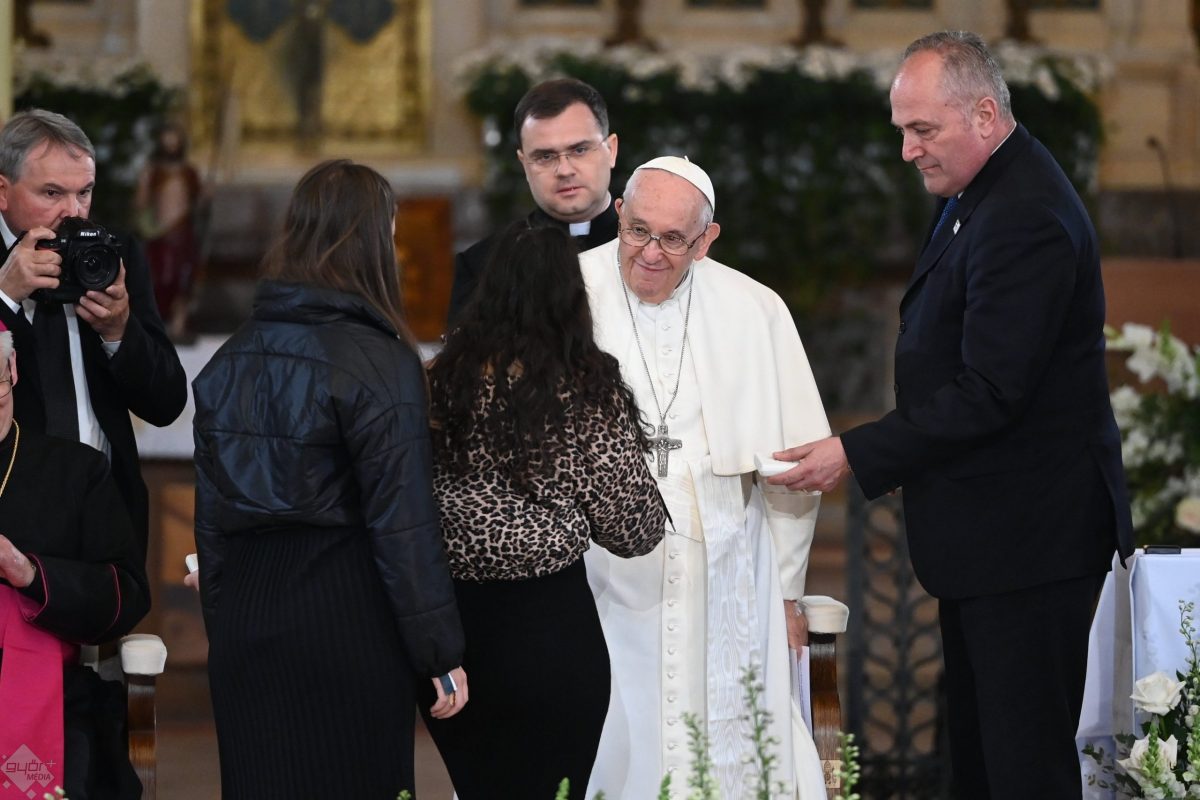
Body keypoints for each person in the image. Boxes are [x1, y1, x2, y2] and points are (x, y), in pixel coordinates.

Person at [769, 31, 1135, 799]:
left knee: (1022, 770)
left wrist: (857, 453)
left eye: (922, 130)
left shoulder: (1025, 214)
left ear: (984, 114)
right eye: (902, 130)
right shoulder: (986, 190)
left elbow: (992, 390)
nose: (907, 150)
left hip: (1031, 547)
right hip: (999, 542)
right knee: (980, 763)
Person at [192, 159, 468, 798]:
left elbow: (211, 519)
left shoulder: (232, 356)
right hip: (345, 620)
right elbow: (403, 522)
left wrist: (226, 625)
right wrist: (439, 651)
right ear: (372, 242)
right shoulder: (381, 360)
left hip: (248, 619)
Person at [581, 156, 830, 800]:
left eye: (673, 239)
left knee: (727, 734)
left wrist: (787, 593)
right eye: (638, 231)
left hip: (725, 564)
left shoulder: (754, 308)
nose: (650, 253)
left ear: (706, 240)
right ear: (618, 214)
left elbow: (792, 468)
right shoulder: (566, 291)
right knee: (612, 725)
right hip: (599, 566)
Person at [424, 221, 667, 799]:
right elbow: (634, 528)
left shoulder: (435, 383)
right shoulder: (582, 389)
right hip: (548, 631)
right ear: (570, 297)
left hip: (453, 630)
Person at [0, 108, 187, 560]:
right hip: (11, 520)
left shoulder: (111, 254)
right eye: (52, 193)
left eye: (84, 192)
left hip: (105, 517)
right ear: (2, 192)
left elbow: (166, 403)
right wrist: (4, 298)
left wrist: (119, 332)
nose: (73, 211)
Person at [0, 318, 150, 800]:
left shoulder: (74, 471)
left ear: (12, 369)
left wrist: (29, 574)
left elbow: (126, 594)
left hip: (50, 698)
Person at [447, 78, 619, 325]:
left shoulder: (656, 249)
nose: (564, 170)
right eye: (545, 156)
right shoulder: (483, 265)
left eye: (579, 150)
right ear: (524, 164)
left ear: (611, 150)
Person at [134, 120, 203, 341]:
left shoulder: (189, 173)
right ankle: (157, 324)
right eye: (167, 139)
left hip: (183, 234)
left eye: (175, 139)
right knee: (161, 279)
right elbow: (141, 203)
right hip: (160, 235)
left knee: (183, 280)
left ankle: (179, 325)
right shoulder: (153, 172)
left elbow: (197, 202)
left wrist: (206, 197)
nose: (171, 144)